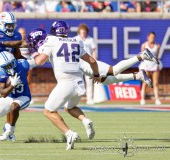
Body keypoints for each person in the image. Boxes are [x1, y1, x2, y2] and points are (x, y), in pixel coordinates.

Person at [28, 22, 159, 150]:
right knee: (75, 103)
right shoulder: (74, 41)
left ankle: (141, 56)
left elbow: (39, 60)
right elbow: (89, 59)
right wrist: (96, 74)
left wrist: (32, 51)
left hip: (72, 76)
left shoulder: (51, 42)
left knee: (49, 110)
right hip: (79, 80)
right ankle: (136, 76)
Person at [0, 51, 35, 143]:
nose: (10, 67)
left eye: (11, 64)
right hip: (9, 97)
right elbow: (3, 94)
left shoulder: (23, 64)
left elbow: (36, 62)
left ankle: (10, 130)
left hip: (23, 96)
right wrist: (12, 85)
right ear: (0, 66)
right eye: (6, 66)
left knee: (14, 106)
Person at [75, 24, 97, 105]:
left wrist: (94, 60)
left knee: (89, 81)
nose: (83, 33)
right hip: (78, 63)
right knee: (78, 81)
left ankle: (90, 99)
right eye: (82, 31)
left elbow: (94, 51)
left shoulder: (90, 40)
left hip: (88, 63)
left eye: (84, 31)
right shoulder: (75, 39)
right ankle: (76, 99)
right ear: (79, 32)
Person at [139, 32, 162, 105]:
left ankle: (157, 99)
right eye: (151, 37)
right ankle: (142, 99)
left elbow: (157, 56)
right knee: (145, 82)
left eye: (153, 37)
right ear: (147, 37)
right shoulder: (144, 45)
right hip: (146, 66)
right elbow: (142, 56)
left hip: (154, 66)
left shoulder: (157, 46)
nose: (152, 38)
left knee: (155, 83)